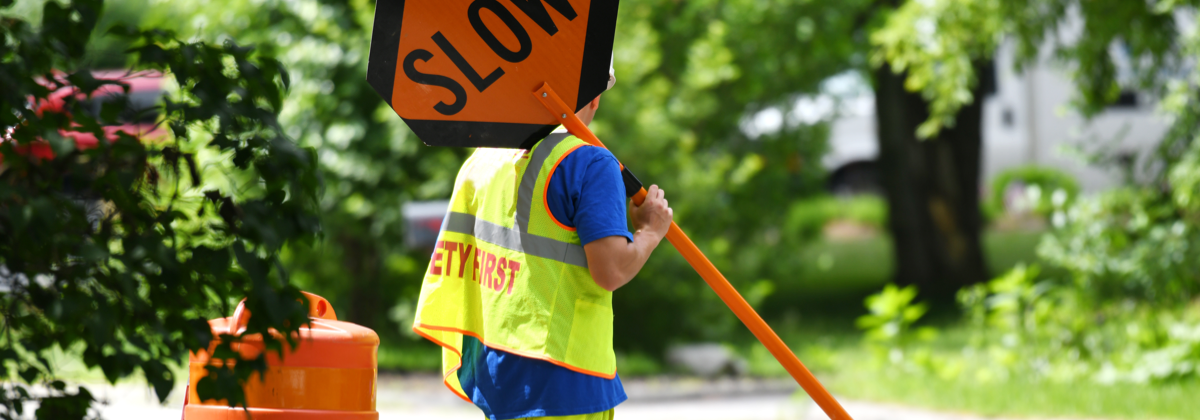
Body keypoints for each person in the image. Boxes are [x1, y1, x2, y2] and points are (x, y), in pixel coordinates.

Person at [411, 63, 673, 420]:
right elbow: (611, 269)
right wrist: (651, 231)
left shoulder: (484, 158)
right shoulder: (590, 162)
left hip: (496, 370)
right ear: (594, 97)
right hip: (564, 380)